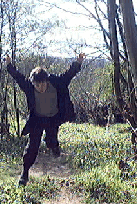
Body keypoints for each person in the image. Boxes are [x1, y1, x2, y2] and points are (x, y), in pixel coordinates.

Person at [6, 53, 85, 186]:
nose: (40, 88)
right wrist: (9, 65)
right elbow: (18, 77)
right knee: (32, 147)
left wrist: (78, 62)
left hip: (53, 119)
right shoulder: (30, 87)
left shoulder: (56, 83)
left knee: (51, 141)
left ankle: (54, 147)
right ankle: (24, 174)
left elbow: (69, 74)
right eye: (37, 85)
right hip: (37, 119)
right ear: (33, 84)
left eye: (42, 84)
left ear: (46, 81)